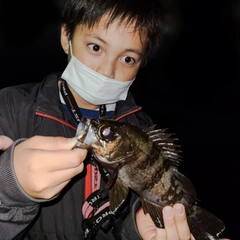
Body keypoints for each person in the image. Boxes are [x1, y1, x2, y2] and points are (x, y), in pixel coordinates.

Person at [0, 0, 229, 239]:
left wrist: (137, 230)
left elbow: (133, 216)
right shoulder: (9, 110)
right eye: (96, 47)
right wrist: (8, 188)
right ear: (66, 35)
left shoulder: (142, 127)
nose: (107, 71)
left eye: (128, 59)